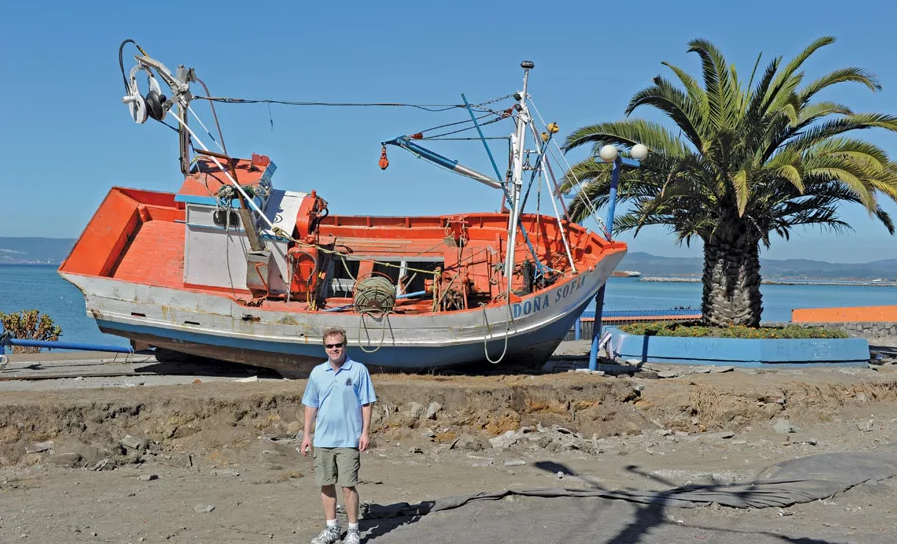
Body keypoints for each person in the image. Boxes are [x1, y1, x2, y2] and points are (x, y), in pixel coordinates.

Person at [301, 326, 376, 544]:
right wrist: (306, 435)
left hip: (348, 439)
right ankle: (332, 528)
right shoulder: (317, 373)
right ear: (324, 348)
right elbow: (310, 405)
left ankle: (353, 530)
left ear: (345, 346)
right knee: (325, 484)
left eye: (338, 345)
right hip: (323, 439)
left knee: (348, 485)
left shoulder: (359, 370)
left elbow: (366, 403)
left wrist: (365, 432)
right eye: (330, 346)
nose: (334, 349)